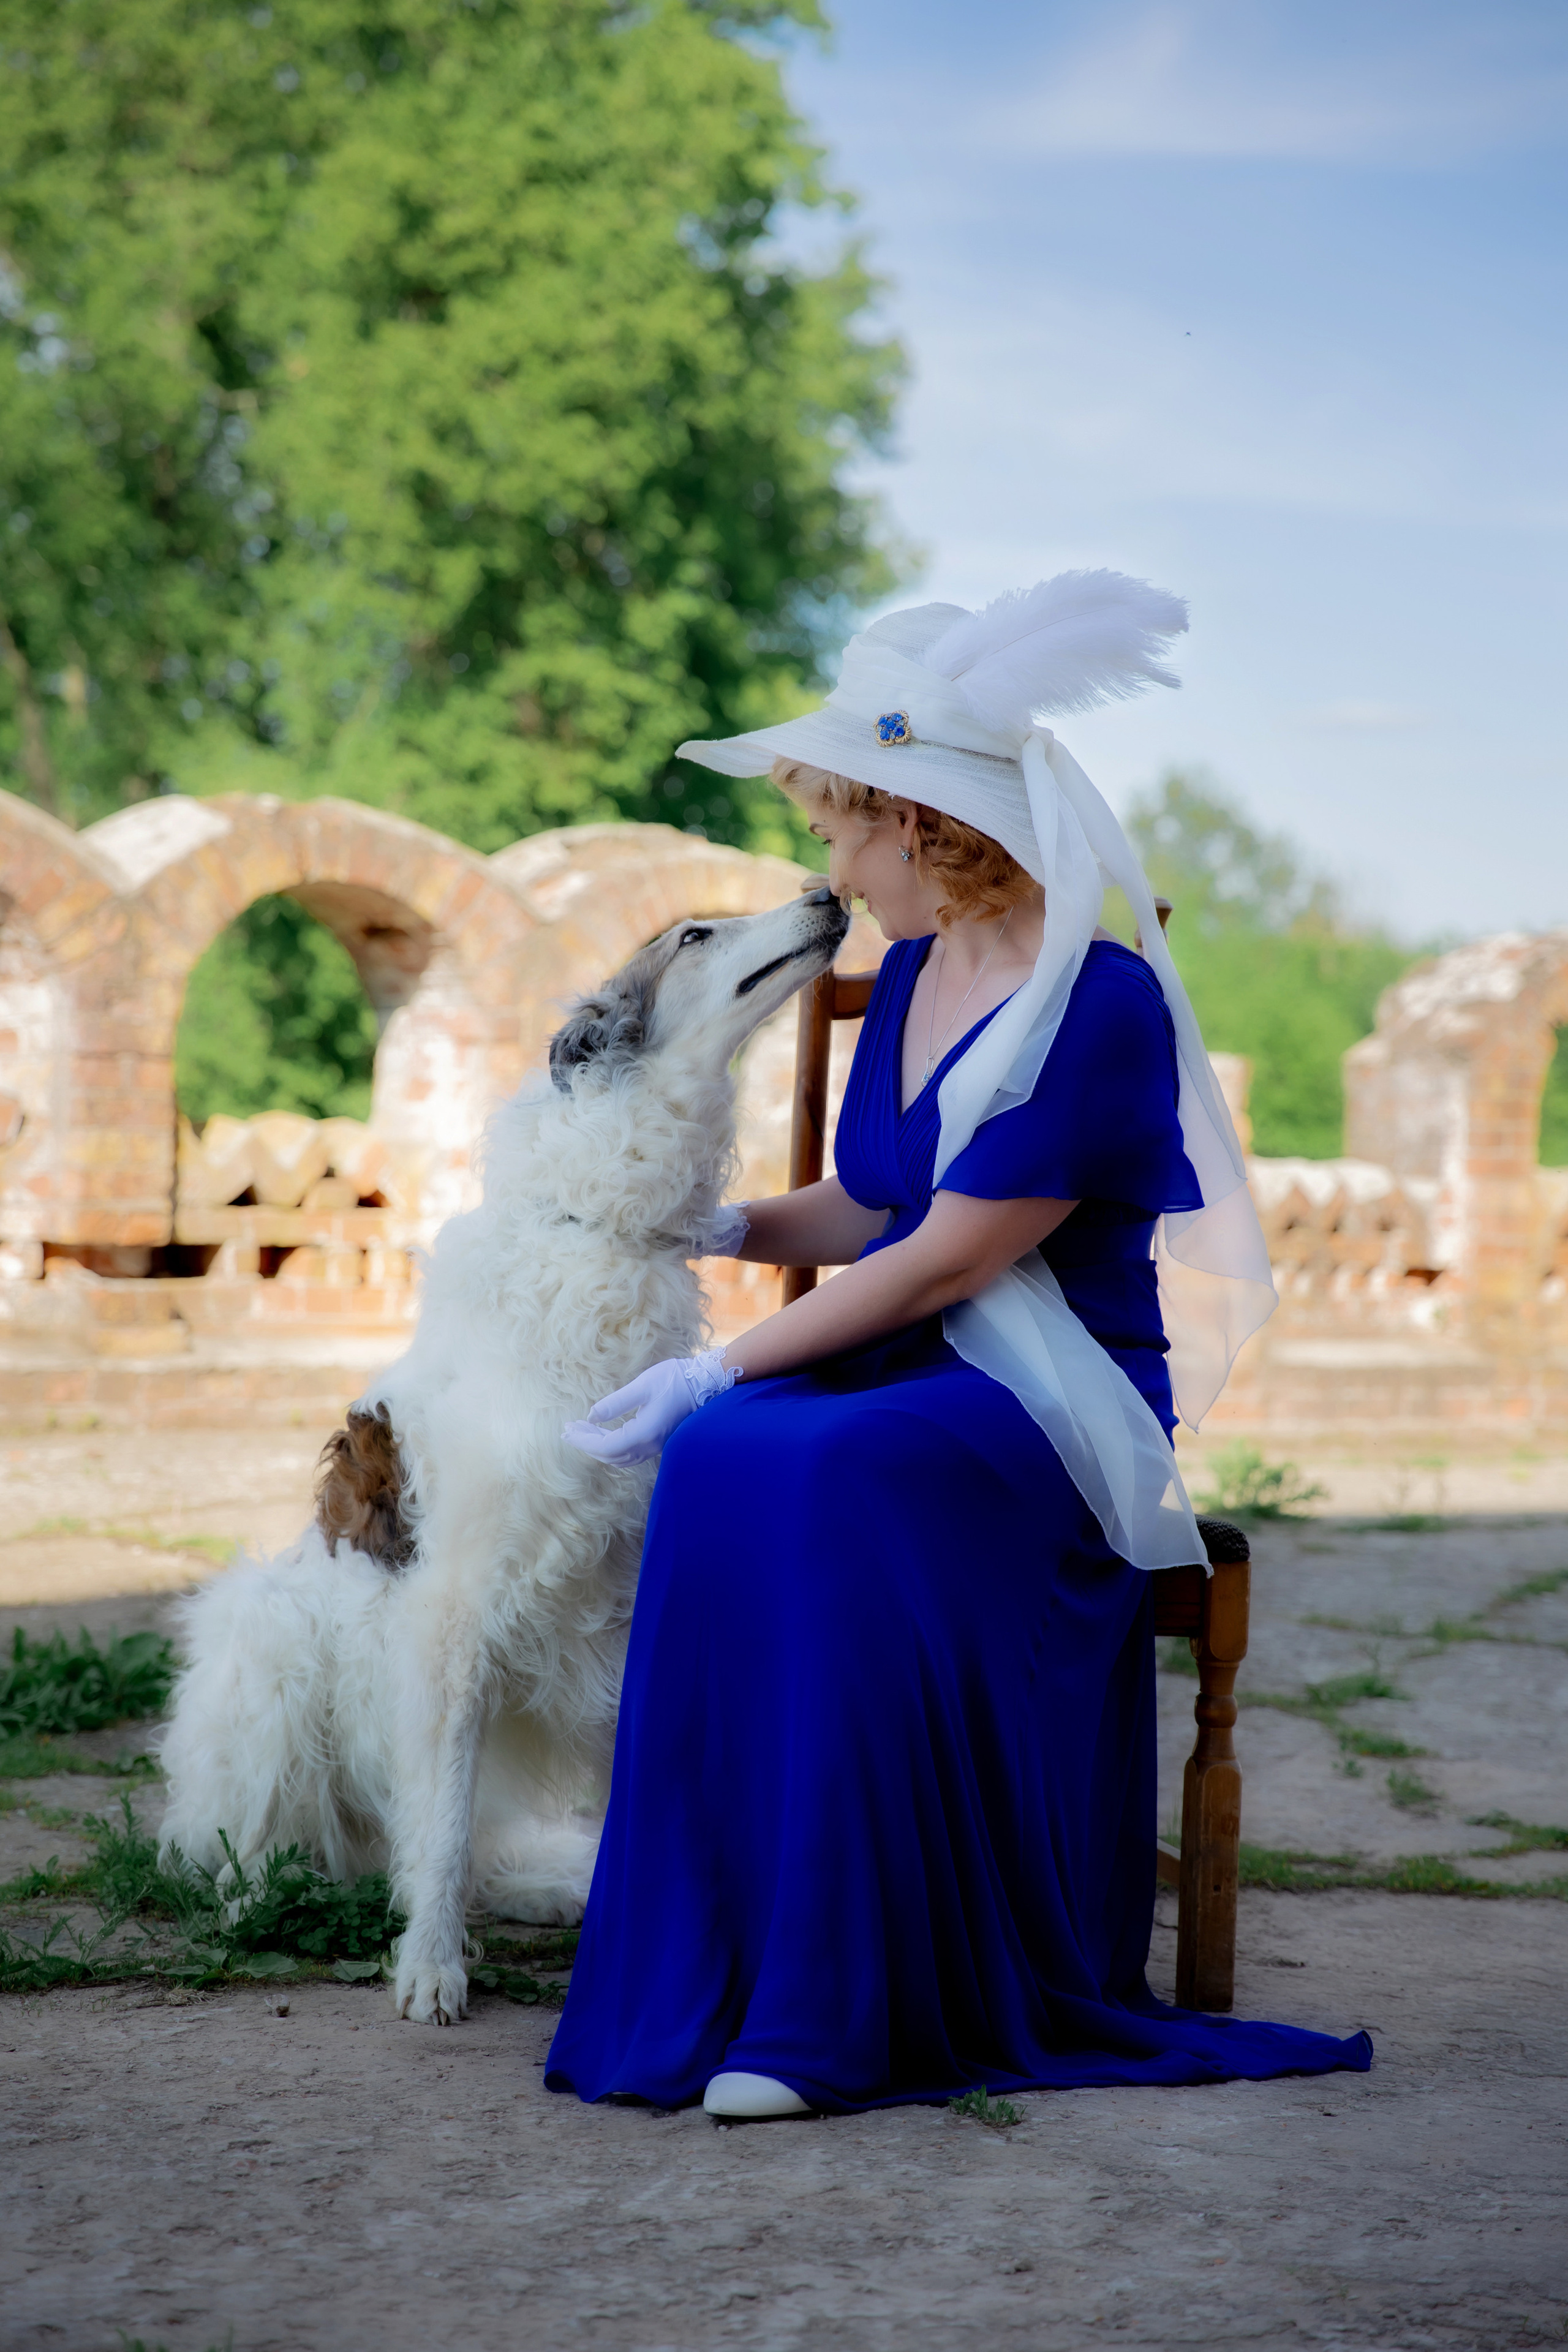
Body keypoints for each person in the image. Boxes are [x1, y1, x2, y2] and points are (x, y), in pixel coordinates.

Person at [549, 573, 1372, 2116]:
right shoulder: (919, 971)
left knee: (809, 1461)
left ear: (919, 822)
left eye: (837, 830)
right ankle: (710, 1965)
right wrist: (707, 1229)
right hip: (911, 1369)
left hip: (1046, 1407)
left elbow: (948, 1258)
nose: (832, 869)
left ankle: (826, 2013)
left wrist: (723, 1358)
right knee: (727, 1460)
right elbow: (871, 1202)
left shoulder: (1101, 1005)